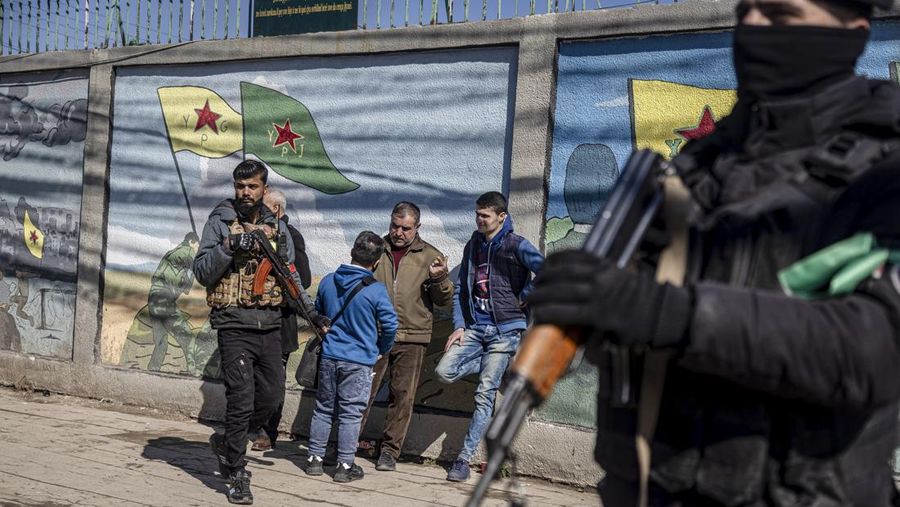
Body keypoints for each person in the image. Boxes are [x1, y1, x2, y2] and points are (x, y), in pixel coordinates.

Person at [528, 0, 900, 504]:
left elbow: (872, 349)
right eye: (747, 10)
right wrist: (589, 305)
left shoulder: (884, 164)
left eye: (780, 14)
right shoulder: (701, 165)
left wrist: (666, 313)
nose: (752, 26)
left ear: (853, 31)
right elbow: (636, 324)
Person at [193, 160, 296, 505]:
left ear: (264, 189)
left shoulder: (277, 226)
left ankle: (227, 442)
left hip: (268, 324)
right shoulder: (220, 221)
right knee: (241, 399)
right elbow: (203, 272)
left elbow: (291, 275)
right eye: (241, 187)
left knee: (271, 395)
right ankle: (236, 472)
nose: (246, 193)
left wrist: (313, 314)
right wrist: (229, 247)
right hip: (234, 324)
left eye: (253, 187)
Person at [434, 191, 543, 482]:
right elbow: (460, 290)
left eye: (485, 215)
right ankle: (494, 366)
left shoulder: (516, 244)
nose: (479, 220)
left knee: (484, 395)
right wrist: (459, 325)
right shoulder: (474, 245)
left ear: (501, 216)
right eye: (477, 214)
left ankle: (463, 460)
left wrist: (525, 295)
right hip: (475, 329)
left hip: (506, 331)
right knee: (444, 371)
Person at [356, 201, 454, 472]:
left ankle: (389, 451)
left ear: (417, 228)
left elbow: (444, 300)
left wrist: (439, 278)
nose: (399, 232)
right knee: (362, 392)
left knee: (402, 396)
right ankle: (345, 443)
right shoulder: (376, 249)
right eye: (395, 226)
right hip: (374, 335)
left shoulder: (430, 256)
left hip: (413, 336)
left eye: (406, 228)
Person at [305, 231, 398, 483]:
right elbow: (390, 326)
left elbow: (321, 315)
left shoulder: (328, 281)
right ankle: (345, 466)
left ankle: (314, 459)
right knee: (350, 414)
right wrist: (381, 347)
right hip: (359, 361)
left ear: (351, 253)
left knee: (323, 408)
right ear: (376, 262)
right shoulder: (376, 290)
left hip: (330, 355)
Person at [251, 188, 312, 452]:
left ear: (276, 210)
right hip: (254, 317)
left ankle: (267, 431)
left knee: (272, 380)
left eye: (262, 207)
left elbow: (303, 279)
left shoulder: (290, 236)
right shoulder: (255, 232)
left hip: (280, 319)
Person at [146, 232, 199, 371]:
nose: (197, 249)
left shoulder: (172, 255)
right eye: (197, 246)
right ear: (192, 242)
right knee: (188, 337)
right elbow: (191, 260)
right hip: (164, 300)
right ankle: (193, 372)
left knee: (161, 343)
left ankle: (152, 371)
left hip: (154, 299)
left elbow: (185, 288)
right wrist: (199, 258)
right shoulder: (185, 250)